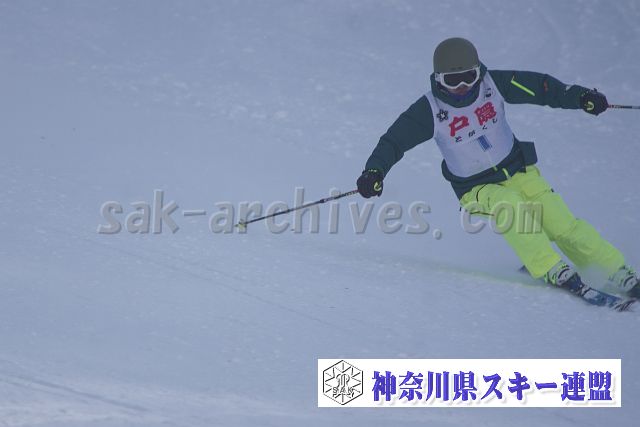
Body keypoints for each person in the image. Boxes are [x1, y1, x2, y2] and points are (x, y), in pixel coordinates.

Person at [356, 37, 639, 305]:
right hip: (475, 189)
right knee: (511, 207)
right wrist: (374, 172)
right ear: (438, 79)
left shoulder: (493, 85)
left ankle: (616, 271)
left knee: (561, 223)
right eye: (452, 80)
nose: (462, 86)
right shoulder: (429, 110)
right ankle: (549, 267)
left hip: (519, 172)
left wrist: (580, 97)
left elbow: (542, 88)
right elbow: (394, 141)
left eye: (469, 76)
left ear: (478, 71)